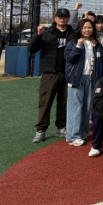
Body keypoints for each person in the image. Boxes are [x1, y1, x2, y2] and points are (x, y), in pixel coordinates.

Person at [29, 8, 75, 144]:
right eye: (60, 16)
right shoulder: (46, 33)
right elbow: (31, 49)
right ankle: (41, 130)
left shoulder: (73, 33)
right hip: (50, 73)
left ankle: (61, 127)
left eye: (65, 16)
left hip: (67, 73)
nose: (62, 19)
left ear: (68, 18)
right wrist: (38, 35)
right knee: (45, 102)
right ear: (55, 18)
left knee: (64, 102)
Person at [64, 19, 103, 146]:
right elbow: (69, 58)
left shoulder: (97, 45)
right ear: (80, 29)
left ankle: (83, 133)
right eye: (84, 27)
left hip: (91, 79)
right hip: (77, 79)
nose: (87, 30)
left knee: (87, 108)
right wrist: (78, 46)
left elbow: (100, 62)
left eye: (89, 27)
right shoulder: (73, 43)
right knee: (75, 108)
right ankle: (73, 136)